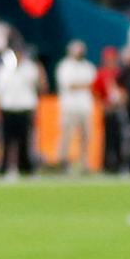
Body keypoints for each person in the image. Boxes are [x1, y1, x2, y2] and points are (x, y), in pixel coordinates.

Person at [0, 45, 42, 176]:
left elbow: (40, 86)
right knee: (7, 140)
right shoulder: (3, 71)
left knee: (24, 140)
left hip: (24, 108)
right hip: (8, 109)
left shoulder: (30, 69)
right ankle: (4, 166)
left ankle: (24, 166)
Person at [53, 43, 97, 174]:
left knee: (86, 136)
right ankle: (62, 162)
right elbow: (69, 84)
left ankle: (84, 164)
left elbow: (92, 83)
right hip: (69, 106)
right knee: (66, 135)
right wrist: (83, 84)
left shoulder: (88, 66)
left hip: (85, 106)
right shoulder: (65, 66)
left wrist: (80, 84)